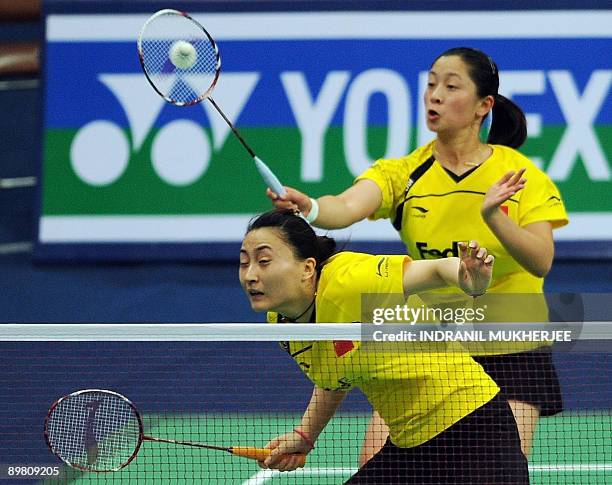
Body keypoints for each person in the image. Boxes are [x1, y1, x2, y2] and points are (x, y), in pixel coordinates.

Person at [268, 47, 568, 462]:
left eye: (450, 85)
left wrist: (493, 215)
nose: (435, 95)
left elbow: (541, 260)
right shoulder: (404, 173)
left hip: (510, 348)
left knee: (498, 469)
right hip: (428, 345)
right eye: (430, 84)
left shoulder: (519, 176)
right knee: (376, 465)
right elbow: (347, 206)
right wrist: (313, 209)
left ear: (484, 106)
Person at [239, 208, 529, 484]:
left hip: (475, 432)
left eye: (264, 261)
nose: (251, 275)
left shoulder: (349, 281)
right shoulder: (283, 323)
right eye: (244, 262)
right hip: (411, 447)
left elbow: (436, 270)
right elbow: (335, 376)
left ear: (307, 267)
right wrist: (305, 435)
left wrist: (470, 280)